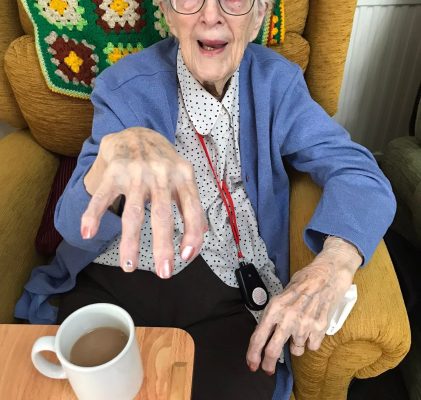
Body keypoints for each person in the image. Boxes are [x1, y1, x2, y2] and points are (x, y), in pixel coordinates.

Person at [15, 0, 396, 398]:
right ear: (167, 13)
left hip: (231, 297)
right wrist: (110, 163)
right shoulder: (125, 86)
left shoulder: (276, 83)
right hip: (116, 282)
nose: (210, 16)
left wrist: (334, 264)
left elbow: (358, 171)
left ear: (258, 17)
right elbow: (72, 226)